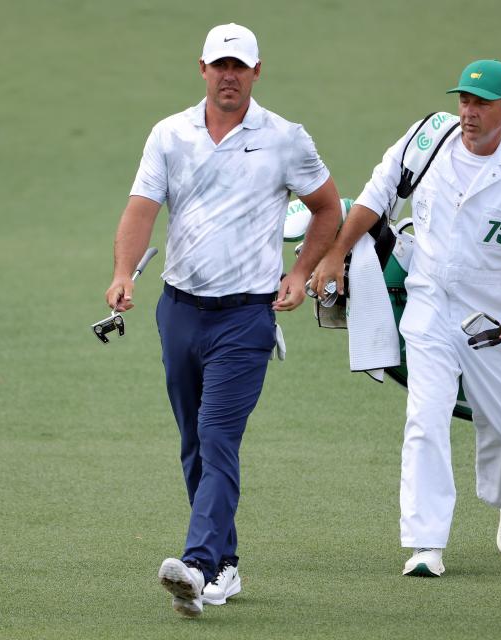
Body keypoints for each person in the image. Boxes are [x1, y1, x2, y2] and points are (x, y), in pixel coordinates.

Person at [104, 23, 341, 616]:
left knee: (217, 438)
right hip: (179, 311)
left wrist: (300, 270)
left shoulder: (285, 138)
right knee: (194, 445)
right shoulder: (170, 134)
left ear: (257, 72)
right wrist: (124, 273)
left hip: (245, 318)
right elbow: (141, 209)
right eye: (219, 65)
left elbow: (327, 208)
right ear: (203, 69)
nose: (229, 75)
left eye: (240, 66)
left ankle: (199, 565)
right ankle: (225, 566)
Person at [311, 59, 501, 577]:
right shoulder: (428, 140)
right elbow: (376, 196)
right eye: (464, 100)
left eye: (481, 103)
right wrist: (333, 256)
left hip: (494, 320)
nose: (469, 112)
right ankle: (426, 543)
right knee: (425, 419)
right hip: (429, 306)